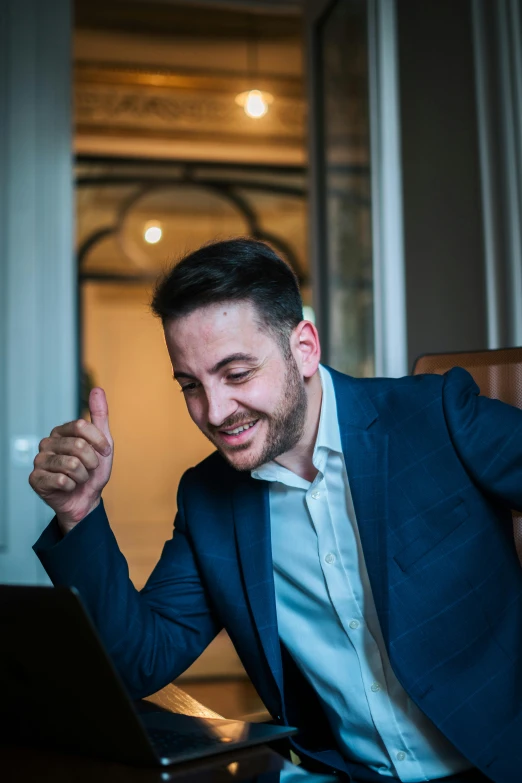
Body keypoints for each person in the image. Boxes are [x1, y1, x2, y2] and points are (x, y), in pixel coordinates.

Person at [30, 239, 522, 783]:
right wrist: (80, 511)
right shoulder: (207, 497)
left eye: (237, 374)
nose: (214, 413)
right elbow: (137, 662)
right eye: (191, 385)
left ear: (304, 348)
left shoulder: (435, 415)